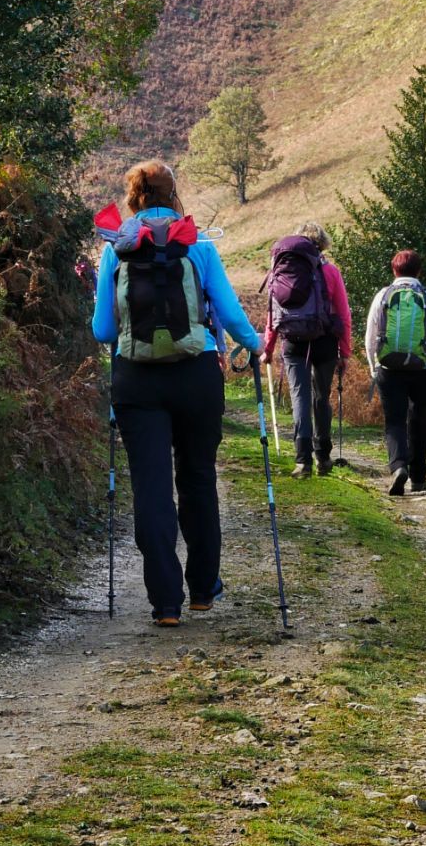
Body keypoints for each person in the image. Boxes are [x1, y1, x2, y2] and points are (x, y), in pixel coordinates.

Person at [92, 159, 264, 626]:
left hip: (136, 379)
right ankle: (203, 589)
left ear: (134, 197)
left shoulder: (118, 247)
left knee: (150, 488)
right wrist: (256, 344)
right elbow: (228, 312)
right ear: (173, 195)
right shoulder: (198, 244)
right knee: (198, 479)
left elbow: (104, 330)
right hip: (196, 377)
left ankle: (165, 603)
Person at [261, 222, 352, 479]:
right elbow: (343, 315)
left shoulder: (282, 269)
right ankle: (323, 456)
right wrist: (345, 351)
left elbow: (272, 312)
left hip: (292, 341)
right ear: (322, 244)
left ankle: (303, 462)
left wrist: (268, 348)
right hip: (324, 341)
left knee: (300, 397)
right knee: (321, 398)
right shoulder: (330, 272)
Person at [365, 249, 426, 497]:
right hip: (421, 368)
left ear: (394, 270)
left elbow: (371, 336)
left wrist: (374, 366)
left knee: (394, 420)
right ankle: (417, 477)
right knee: (418, 418)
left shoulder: (383, 295)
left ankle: (398, 467)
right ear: (419, 271)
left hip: (388, 368)